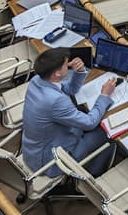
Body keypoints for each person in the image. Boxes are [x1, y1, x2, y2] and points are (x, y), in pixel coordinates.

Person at [21, 49, 117, 177]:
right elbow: (89, 123)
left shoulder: (37, 80)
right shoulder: (55, 100)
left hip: (34, 149)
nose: (70, 64)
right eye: (66, 65)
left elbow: (69, 89)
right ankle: (94, 174)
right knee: (107, 133)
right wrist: (104, 95)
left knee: (89, 115)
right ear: (56, 74)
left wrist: (79, 72)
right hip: (50, 161)